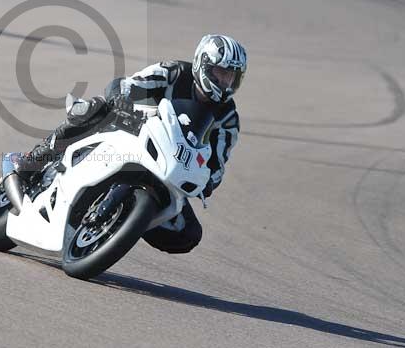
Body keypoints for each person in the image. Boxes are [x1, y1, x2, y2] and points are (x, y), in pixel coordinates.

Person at [14, 34, 247, 254]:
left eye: (231, 77)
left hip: (170, 164)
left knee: (188, 233)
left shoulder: (228, 118)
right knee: (97, 108)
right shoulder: (174, 72)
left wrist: (209, 181)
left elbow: (218, 161)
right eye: (220, 73)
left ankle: (123, 224)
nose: (225, 81)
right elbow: (129, 84)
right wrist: (124, 100)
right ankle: (35, 159)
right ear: (203, 65)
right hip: (134, 130)